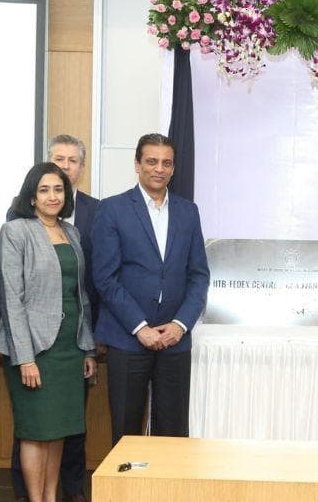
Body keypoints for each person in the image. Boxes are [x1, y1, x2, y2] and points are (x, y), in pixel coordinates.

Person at [92, 133, 209, 444]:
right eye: (152, 161)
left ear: (173, 168)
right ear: (137, 164)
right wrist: (140, 327)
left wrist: (180, 325)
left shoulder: (188, 211)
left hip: (174, 341)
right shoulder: (112, 209)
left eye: (166, 163)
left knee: (172, 433)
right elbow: (105, 278)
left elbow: (199, 276)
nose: (159, 169)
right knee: (127, 431)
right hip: (127, 338)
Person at [0, 162, 97, 502]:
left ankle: (50, 497)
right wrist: (25, 358)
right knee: (36, 431)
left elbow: (80, 295)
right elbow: (12, 299)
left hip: (69, 347)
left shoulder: (72, 233)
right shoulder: (16, 231)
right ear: (32, 197)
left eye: (58, 189)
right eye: (44, 190)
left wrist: (87, 348)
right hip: (35, 349)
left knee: (59, 430)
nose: (52, 196)